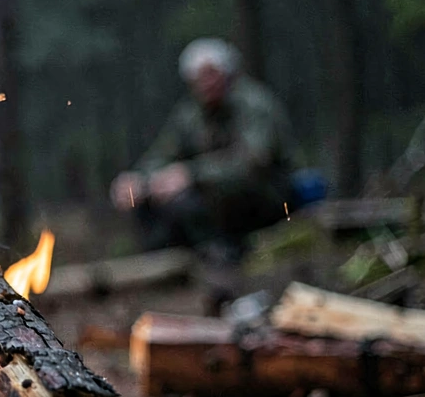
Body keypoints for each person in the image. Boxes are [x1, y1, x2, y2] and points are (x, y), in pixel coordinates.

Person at [111, 37, 298, 260]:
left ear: (228, 73)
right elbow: (163, 153)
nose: (206, 83)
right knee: (150, 201)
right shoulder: (189, 114)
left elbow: (253, 164)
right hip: (212, 196)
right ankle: (166, 261)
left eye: (212, 73)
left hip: (267, 195)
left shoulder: (254, 105)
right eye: (199, 77)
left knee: (190, 201)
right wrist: (139, 179)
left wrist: (192, 174)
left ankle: (224, 254)